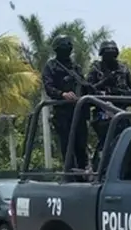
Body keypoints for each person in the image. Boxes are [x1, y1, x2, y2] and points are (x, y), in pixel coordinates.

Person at [85, 40, 131, 170]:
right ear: (102, 54)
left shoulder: (123, 68)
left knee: (125, 140)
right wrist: (104, 82)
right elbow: (88, 90)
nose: (111, 57)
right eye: (107, 54)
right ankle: (101, 168)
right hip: (103, 112)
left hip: (122, 111)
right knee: (107, 142)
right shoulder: (96, 69)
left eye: (113, 54)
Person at [41, 35, 89, 172]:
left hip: (79, 111)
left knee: (81, 146)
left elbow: (84, 85)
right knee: (67, 146)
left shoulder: (76, 67)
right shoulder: (51, 66)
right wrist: (62, 94)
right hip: (63, 112)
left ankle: (83, 173)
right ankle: (70, 174)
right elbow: (48, 87)